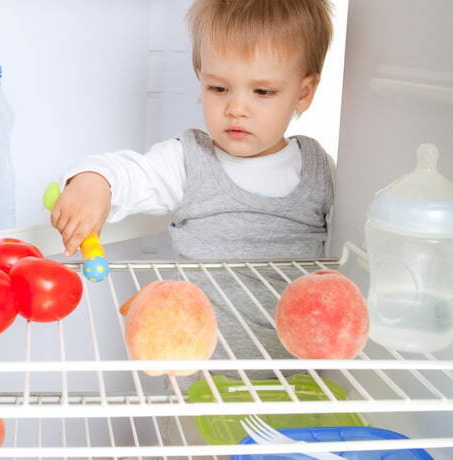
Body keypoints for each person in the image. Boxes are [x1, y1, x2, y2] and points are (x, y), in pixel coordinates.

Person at [52, 0, 335, 453]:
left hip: (295, 381)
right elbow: (130, 172)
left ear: (303, 93)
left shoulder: (320, 169)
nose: (236, 108)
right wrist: (94, 181)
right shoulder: (189, 160)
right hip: (199, 381)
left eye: (262, 92)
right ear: (200, 79)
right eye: (219, 87)